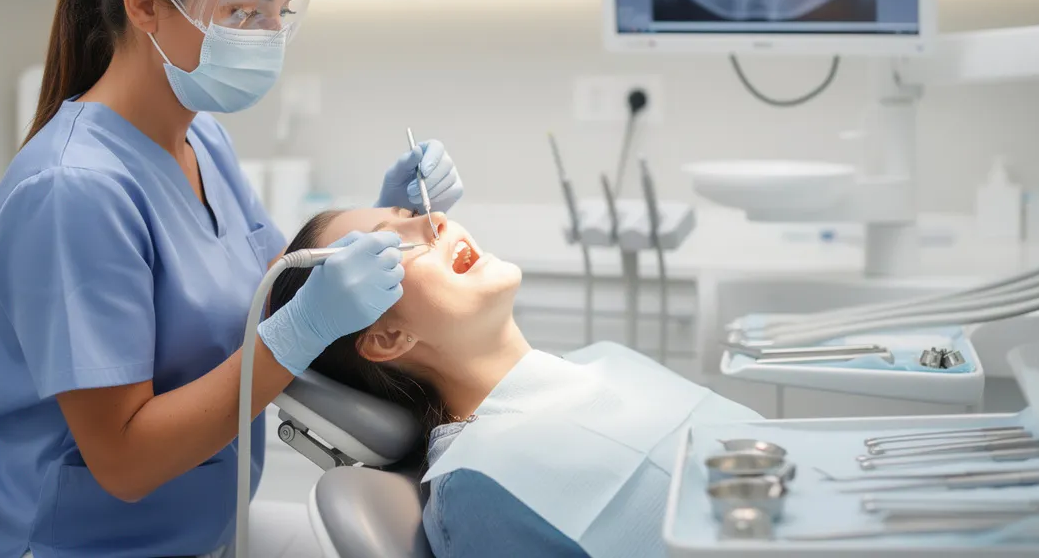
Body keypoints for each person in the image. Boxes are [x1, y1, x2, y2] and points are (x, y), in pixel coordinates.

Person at [0, 0, 464, 558]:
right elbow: (124, 462)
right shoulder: (74, 192)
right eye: (242, 13)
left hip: (199, 534)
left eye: (280, 14)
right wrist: (302, 329)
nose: (267, 38)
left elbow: (268, 289)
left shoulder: (203, 141)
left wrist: (381, 219)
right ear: (144, 3)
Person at [266, 207, 764, 558]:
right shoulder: (477, 486)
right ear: (388, 337)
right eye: (389, 243)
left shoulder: (605, 361)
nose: (435, 219)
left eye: (410, 209)